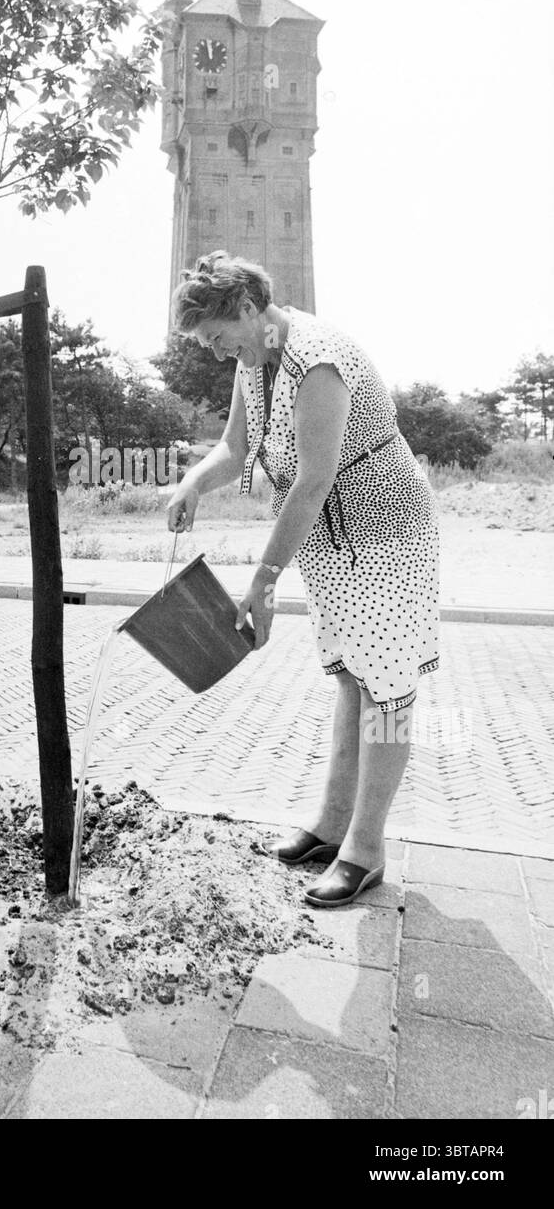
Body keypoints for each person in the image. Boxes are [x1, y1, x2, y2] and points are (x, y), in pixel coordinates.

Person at [165, 251, 439, 908]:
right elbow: (237, 448)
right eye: (205, 343)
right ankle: (330, 825)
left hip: (385, 534)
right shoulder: (252, 363)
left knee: (389, 690)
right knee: (353, 677)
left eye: (215, 335)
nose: (212, 350)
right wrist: (193, 481)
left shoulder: (316, 360)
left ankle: (366, 850)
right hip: (331, 541)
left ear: (250, 310)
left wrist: (262, 579)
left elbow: (314, 479)